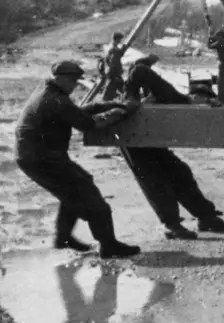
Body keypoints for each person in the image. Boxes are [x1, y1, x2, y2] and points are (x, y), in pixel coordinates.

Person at [14, 60, 142, 259]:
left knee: (72, 193)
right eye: (73, 81)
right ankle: (109, 245)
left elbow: (76, 113)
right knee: (89, 194)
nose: (75, 85)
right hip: (42, 158)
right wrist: (120, 111)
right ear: (61, 78)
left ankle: (63, 238)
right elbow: (89, 124)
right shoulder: (55, 100)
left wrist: (104, 105)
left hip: (33, 156)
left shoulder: (48, 91)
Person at [123, 54, 224, 240]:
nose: (207, 106)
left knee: (180, 173)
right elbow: (139, 71)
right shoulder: (175, 98)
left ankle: (206, 217)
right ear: (195, 96)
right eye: (205, 101)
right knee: (155, 181)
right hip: (132, 137)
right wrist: (131, 96)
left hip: (151, 139)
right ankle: (172, 225)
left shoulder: (183, 107)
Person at [99, 32, 127, 100]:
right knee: (110, 90)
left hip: (110, 72)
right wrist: (116, 74)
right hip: (113, 73)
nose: (120, 41)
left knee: (121, 87)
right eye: (119, 39)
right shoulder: (114, 49)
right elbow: (114, 62)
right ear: (117, 39)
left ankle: (123, 99)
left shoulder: (109, 47)